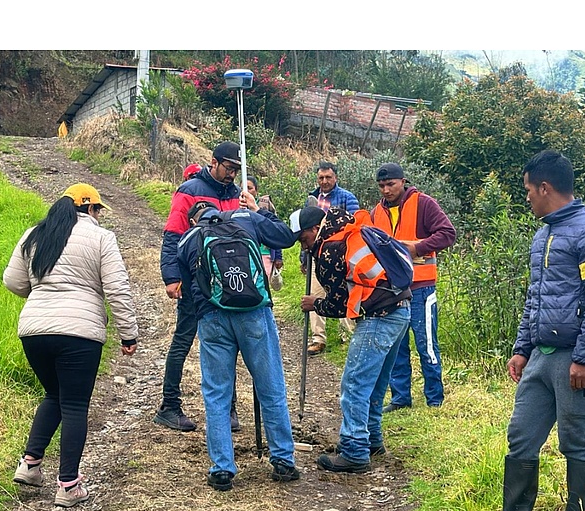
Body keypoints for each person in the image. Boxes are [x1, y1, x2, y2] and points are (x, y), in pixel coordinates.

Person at [472, 150, 585, 511]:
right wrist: (522, 348)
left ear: (545, 187)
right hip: (541, 355)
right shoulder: (544, 234)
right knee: (521, 435)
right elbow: (535, 298)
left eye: (527, 191)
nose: (526, 198)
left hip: (577, 357)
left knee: (576, 438)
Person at [4, 183, 138, 508]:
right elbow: (117, 289)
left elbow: (13, 281)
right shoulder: (102, 238)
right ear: (91, 209)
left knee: (54, 395)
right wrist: (128, 334)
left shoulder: (34, 234)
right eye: (99, 210)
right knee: (75, 405)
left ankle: (31, 465)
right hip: (79, 333)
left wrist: (41, 296)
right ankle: (68, 486)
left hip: (34, 331)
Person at [177, 197, 301, 491]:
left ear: (194, 220)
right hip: (254, 314)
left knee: (217, 393)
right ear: (218, 212)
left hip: (212, 318)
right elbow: (285, 237)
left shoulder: (187, 240)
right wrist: (261, 212)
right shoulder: (246, 219)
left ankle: (222, 468)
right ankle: (283, 460)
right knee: (270, 385)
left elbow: (187, 288)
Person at [292, 205, 411, 473]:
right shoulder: (352, 230)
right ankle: (373, 441)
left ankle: (355, 450)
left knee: (355, 384)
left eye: (303, 239)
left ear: (314, 229)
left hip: (378, 316)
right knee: (376, 383)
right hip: (401, 309)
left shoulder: (332, 247)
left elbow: (338, 304)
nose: (304, 246)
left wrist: (315, 304)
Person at [158, 142, 243, 432]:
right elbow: (172, 235)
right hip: (194, 282)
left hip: (229, 284)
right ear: (214, 162)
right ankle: (169, 406)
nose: (232, 174)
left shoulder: (236, 195)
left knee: (229, 345)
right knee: (183, 339)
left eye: (236, 170)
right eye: (228, 168)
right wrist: (171, 277)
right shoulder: (190, 190)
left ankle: (230, 410)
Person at [371, 163, 456, 412]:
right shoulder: (376, 212)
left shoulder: (424, 203)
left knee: (426, 343)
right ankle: (400, 398)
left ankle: (434, 398)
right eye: (381, 186)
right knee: (396, 346)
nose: (386, 190)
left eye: (390, 184)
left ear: (403, 181)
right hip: (392, 290)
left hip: (421, 287)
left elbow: (448, 233)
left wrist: (416, 247)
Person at [301, 161, 359, 355]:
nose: (324, 181)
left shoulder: (347, 197)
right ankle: (318, 338)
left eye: (328, 177)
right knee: (315, 292)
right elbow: (305, 228)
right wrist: (304, 257)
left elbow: (355, 223)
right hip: (316, 254)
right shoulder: (312, 198)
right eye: (321, 178)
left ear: (335, 178)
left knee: (344, 293)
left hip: (341, 257)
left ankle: (348, 334)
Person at [246, 175, 283, 286]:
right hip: (246, 252)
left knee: (263, 283)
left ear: (256, 191)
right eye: (244, 188)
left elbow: (275, 231)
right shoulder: (238, 207)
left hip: (264, 252)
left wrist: (278, 256)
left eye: (250, 188)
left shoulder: (264, 206)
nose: (247, 191)